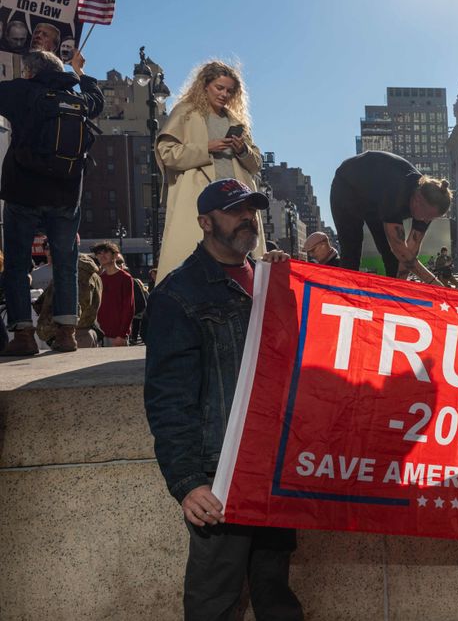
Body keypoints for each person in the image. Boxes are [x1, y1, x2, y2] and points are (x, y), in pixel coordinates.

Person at [143, 179, 303, 619]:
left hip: (273, 464)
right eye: (235, 211)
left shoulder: (273, 279)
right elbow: (167, 399)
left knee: (275, 591)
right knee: (214, 599)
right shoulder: (178, 295)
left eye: (251, 210)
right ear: (205, 222)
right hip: (220, 475)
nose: (247, 219)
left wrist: (292, 282)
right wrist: (187, 481)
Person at [0, 49, 102, 356]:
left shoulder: (19, 91)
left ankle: (24, 335)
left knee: (18, 265)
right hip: (66, 194)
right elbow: (97, 99)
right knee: (67, 264)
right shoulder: (77, 97)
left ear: (29, 71)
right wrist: (79, 71)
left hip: (23, 192)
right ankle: (66, 334)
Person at [154, 60, 265, 285]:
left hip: (238, 201)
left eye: (230, 90)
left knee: (242, 265)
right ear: (205, 85)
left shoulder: (237, 121)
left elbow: (256, 164)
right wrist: (206, 148)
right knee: (194, 266)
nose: (224, 94)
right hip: (200, 199)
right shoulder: (185, 113)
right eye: (219, 87)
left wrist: (243, 150)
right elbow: (167, 154)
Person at [329, 150, 451, 283]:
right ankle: (345, 293)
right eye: (427, 215)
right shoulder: (396, 191)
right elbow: (399, 250)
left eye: (432, 218)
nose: (426, 221)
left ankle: (395, 294)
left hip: (375, 201)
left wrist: (401, 285)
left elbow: (410, 251)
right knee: (351, 250)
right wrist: (434, 283)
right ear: (417, 199)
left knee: (392, 259)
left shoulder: (428, 205)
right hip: (347, 187)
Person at [35, 252, 102, 349]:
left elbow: (77, 304)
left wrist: (49, 327)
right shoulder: (92, 275)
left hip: (73, 335)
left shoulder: (75, 275)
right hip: (84, 332)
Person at [92, 242, 134, 347]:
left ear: (115, 255)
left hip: (117, 336)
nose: (102, 256)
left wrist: (122, 335)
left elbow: (129, 308)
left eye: (106, 252)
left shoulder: (125, 278)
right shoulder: (99, 278)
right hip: (100, 334)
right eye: (98, 253)